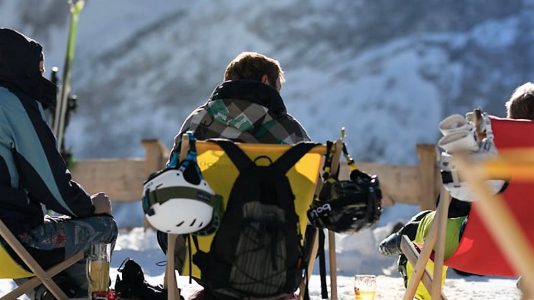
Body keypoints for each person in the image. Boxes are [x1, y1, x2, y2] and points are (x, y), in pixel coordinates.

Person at [156, 51, 311, 300]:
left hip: (204, 258)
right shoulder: (288, 130)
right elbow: (311, 198)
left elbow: (170, 182)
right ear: (265, 81)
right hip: (279, 262)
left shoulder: (198, 122)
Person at [378, 81, 534, 300]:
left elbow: (451, 206)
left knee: (432, 226)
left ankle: (421, 288)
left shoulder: (493, 150)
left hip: (478, 247)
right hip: (526, 252)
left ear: (511, 119)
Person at [0, 28, 118, 299]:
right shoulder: (12, 103)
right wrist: (91, 207)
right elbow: (50, 184)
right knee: (102, 227)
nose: (40, 76)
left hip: (7, 239)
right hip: (12, 243)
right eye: (37, 68)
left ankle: (50, 293)